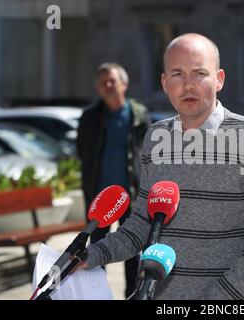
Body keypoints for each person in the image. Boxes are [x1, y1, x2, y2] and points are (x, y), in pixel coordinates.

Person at [76, 33, 244, 299]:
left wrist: (218, 296)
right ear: (165, 83)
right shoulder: (155, 138)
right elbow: (141, 225)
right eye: (177, 74)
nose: (188, 85)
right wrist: (90, 255)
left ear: (219, 79)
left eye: (199, 73)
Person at [76, 62, 152, 298]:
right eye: (103, 82)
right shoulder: (90, 117)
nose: (108, 86)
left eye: (112, 81)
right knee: (96, 251)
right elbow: (82, 151)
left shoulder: (139, 115)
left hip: (132, 195)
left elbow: (150, 152)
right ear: (98, 88)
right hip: (100, 199)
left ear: (124, 84)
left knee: (132, 250)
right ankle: (96, 294)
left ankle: (131, 294)